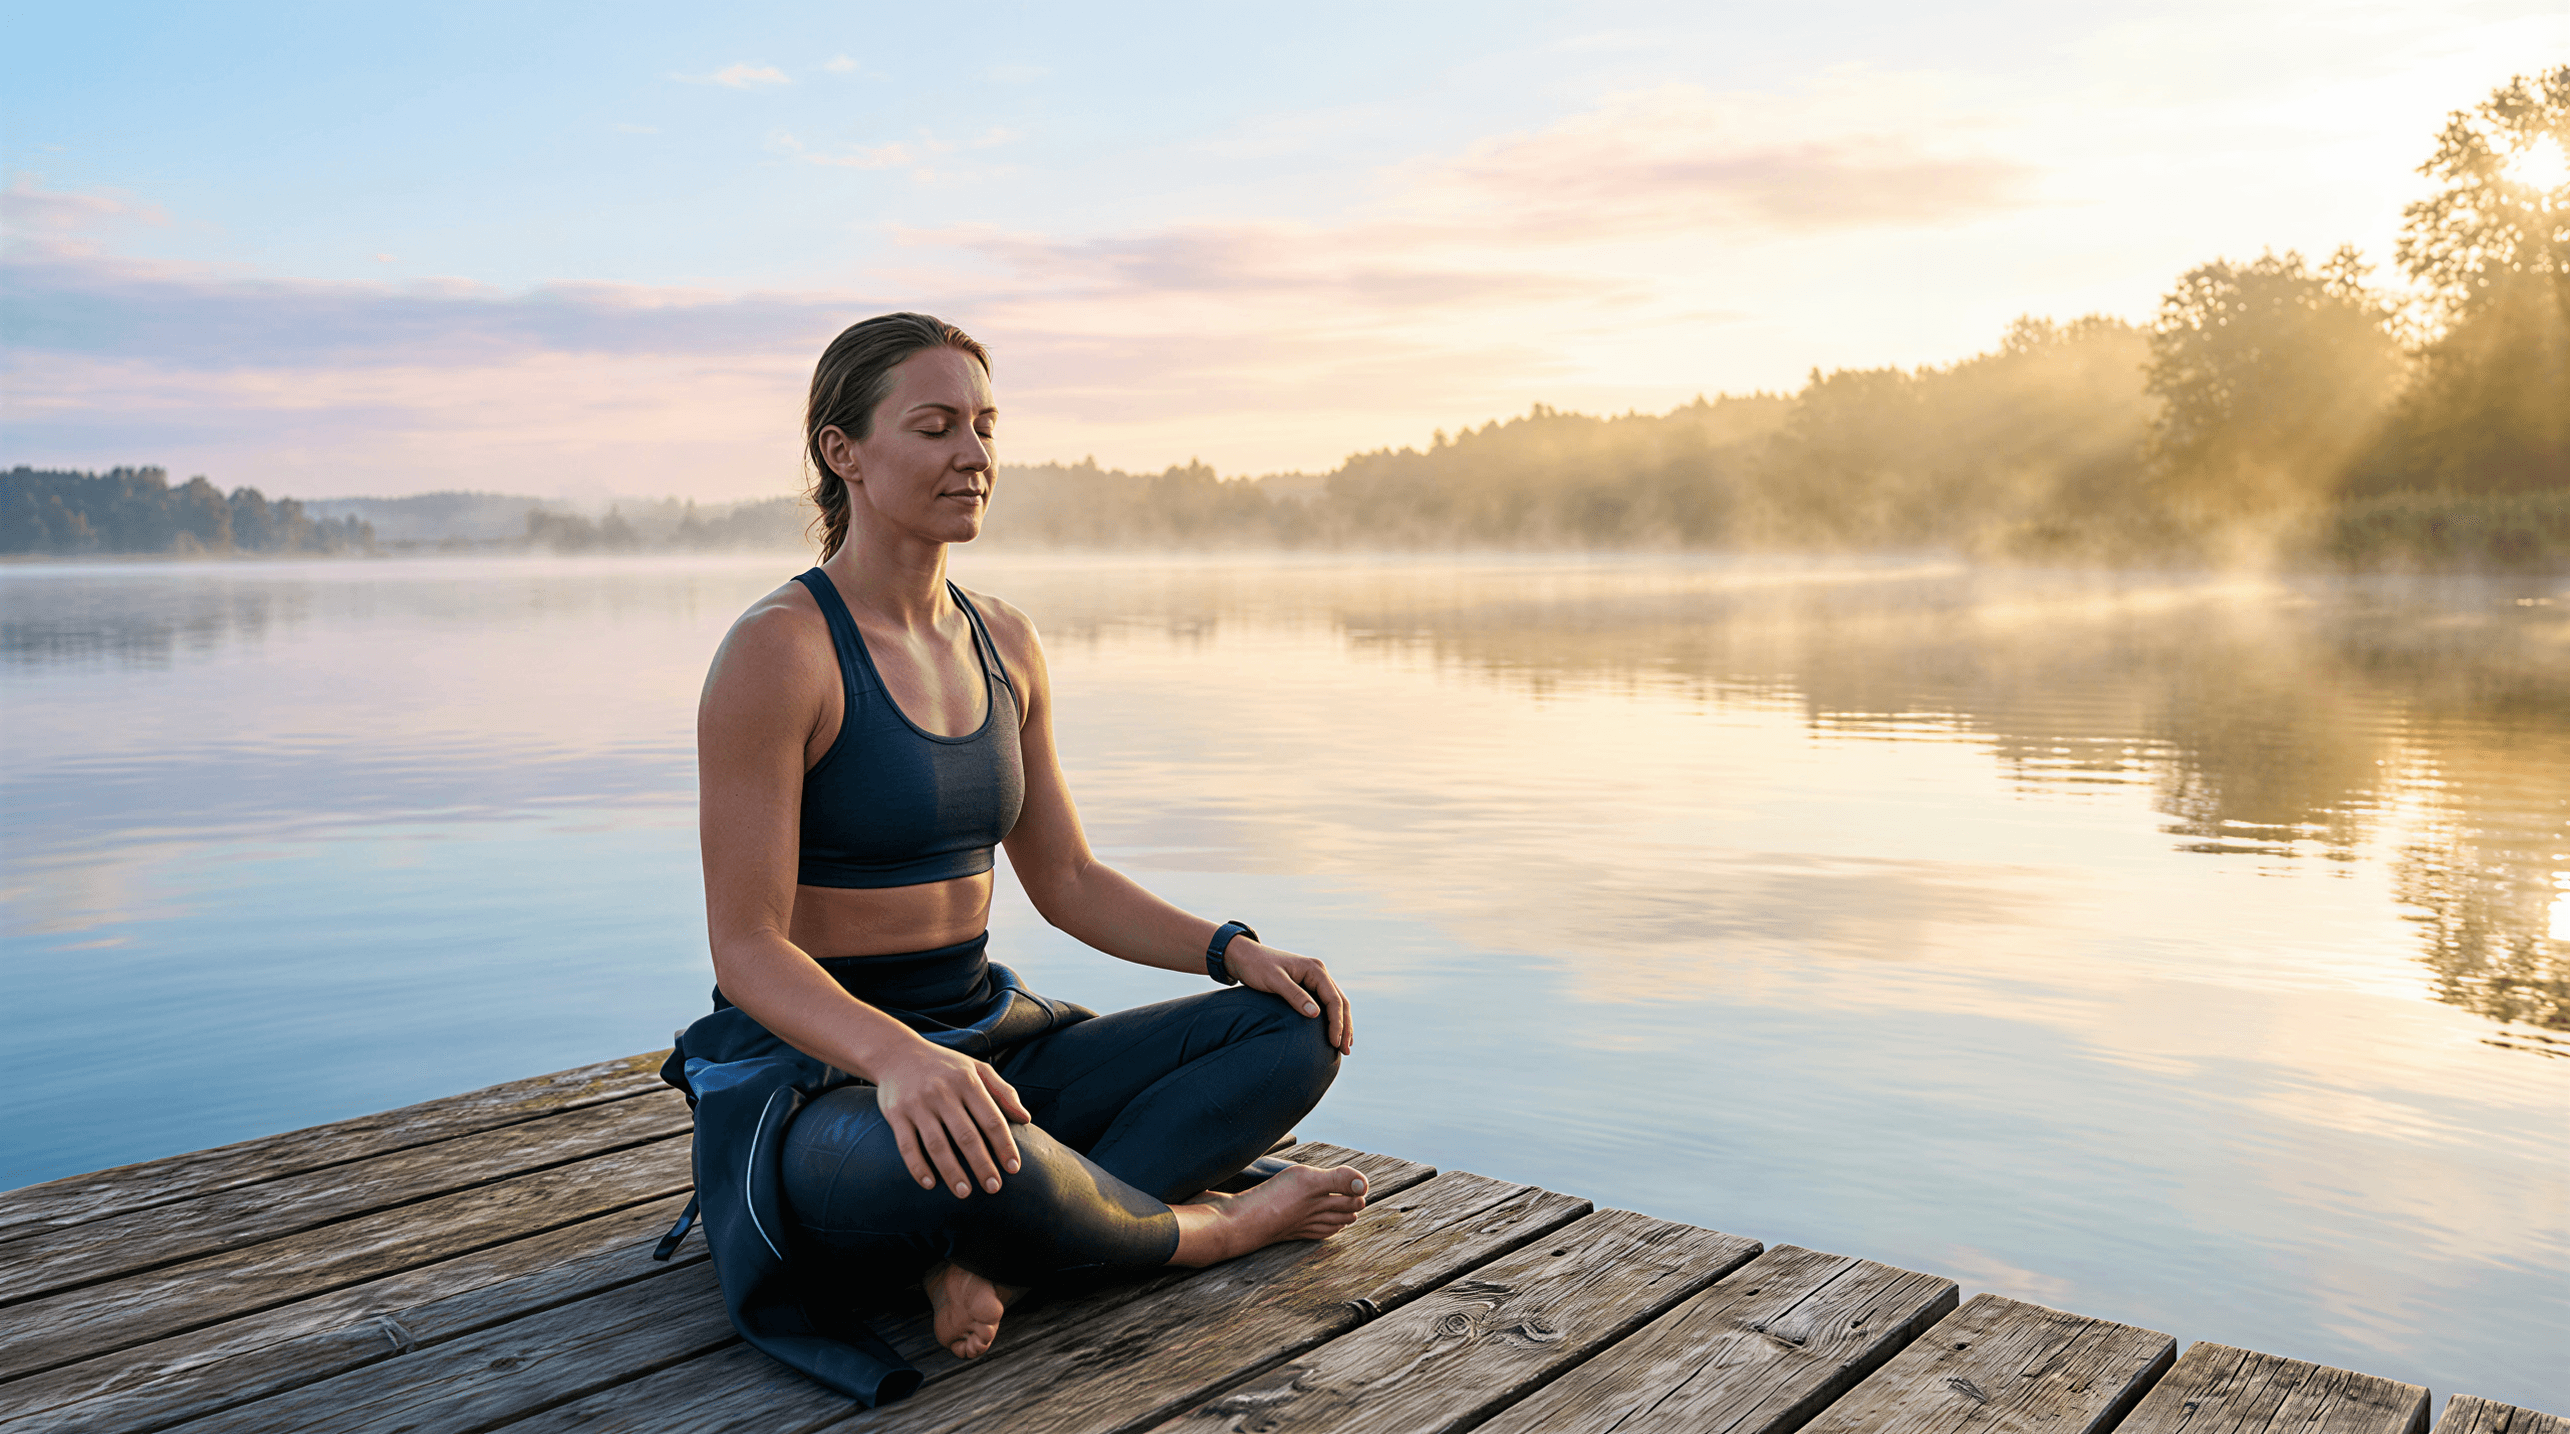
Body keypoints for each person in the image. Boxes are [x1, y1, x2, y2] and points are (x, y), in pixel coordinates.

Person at [668, 312, 1367, 1402]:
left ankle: (994, 1257)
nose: (974, 456)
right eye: (936, 426)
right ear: (839, 449)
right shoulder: (779, 651)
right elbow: (746, 949)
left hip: (991, 1046)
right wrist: (898, 1059)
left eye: (985, 427)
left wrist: (1231, 950)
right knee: (924, 1161)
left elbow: (1070, 881)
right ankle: (1210, 1231)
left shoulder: (1005, 640)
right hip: (825, 1085)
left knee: (1290, 1030)